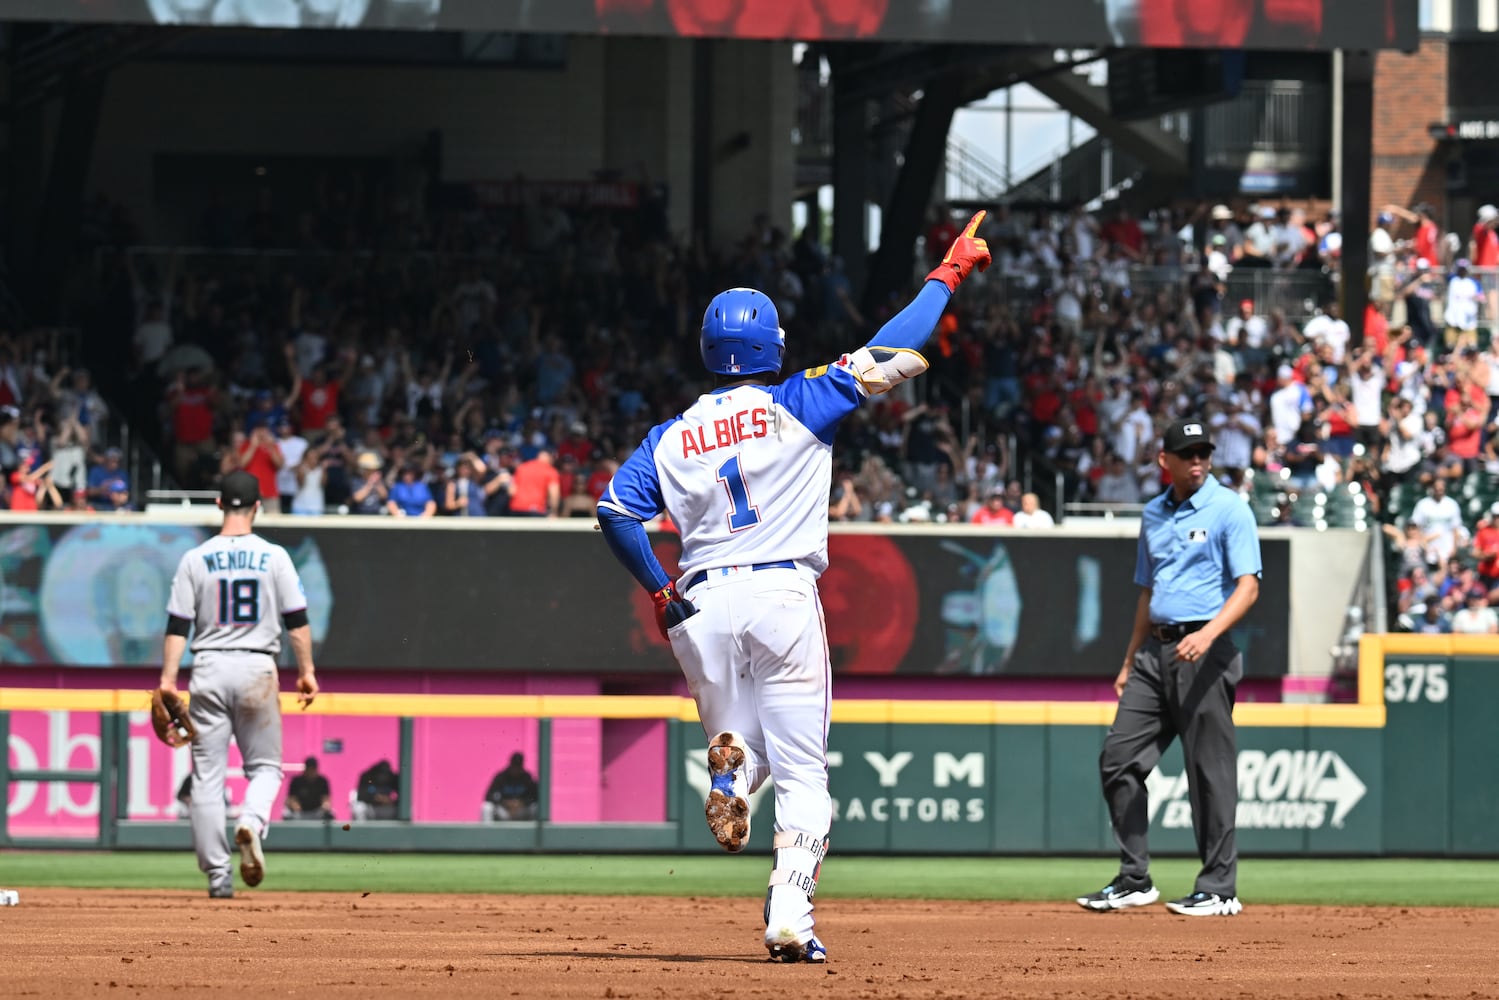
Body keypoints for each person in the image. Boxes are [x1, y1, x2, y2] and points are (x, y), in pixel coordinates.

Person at [596, 210, 992, 962]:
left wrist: (655, 586)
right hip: (780, 592)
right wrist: (950, 270)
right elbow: (900, 342)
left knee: (748, 748)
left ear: (710, 352)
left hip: (699, 602)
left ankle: (731, 780)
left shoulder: (669, 435)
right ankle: (789, 915)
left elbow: (614, 512)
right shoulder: (797, 399)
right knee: (803, 767)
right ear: (771, 346)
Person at [1077, 419, 1260, 918]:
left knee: (1209, 773)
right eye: (1188, 452)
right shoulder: (1154, 514)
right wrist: (1128, 658)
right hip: (1155, 655)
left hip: (1207, 649)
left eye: (1203, 452)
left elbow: (1248, 586)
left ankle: (1219, 888)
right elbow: (1148, 591)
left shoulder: (1229, 508)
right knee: (1118, 760)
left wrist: (1208, 634)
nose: (1198, 459)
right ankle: (1135, 878)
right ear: (1166, 461)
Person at [158, 470, 319, 899]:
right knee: (265, 768)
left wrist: (168, 679)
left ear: (217, 505)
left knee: (207, 776)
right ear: (258, 507)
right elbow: (297, 623)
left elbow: (178, 624)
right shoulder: (275, 557)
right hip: (256, 667)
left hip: (208, 666)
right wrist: (306, 670)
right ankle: (251, 820)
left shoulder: (195, 558)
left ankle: (217, 876)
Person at [483, 752, 539, 821]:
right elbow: (488, 796)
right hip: (504, 812)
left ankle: (535, 832)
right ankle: (487, 831)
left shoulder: (527, 778)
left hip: (521, 812)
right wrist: (505, 802)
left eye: (518, 767)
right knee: (486, 807)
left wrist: (521, 802)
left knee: (536, 807)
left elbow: (536, 797)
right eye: (514, 766)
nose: (516, 769)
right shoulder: (501, 777)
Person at [283, 756, 333, 820]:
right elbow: (291, 799)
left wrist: (325, 805)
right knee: (287, 814)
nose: (311, 771)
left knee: (330, 814)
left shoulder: (322, 781)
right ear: (305, 769)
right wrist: (294, 805)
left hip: (317, 813)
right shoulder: (296, 781)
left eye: (313, 769)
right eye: (309, 768)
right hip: (299, 813)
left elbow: (326, 799)